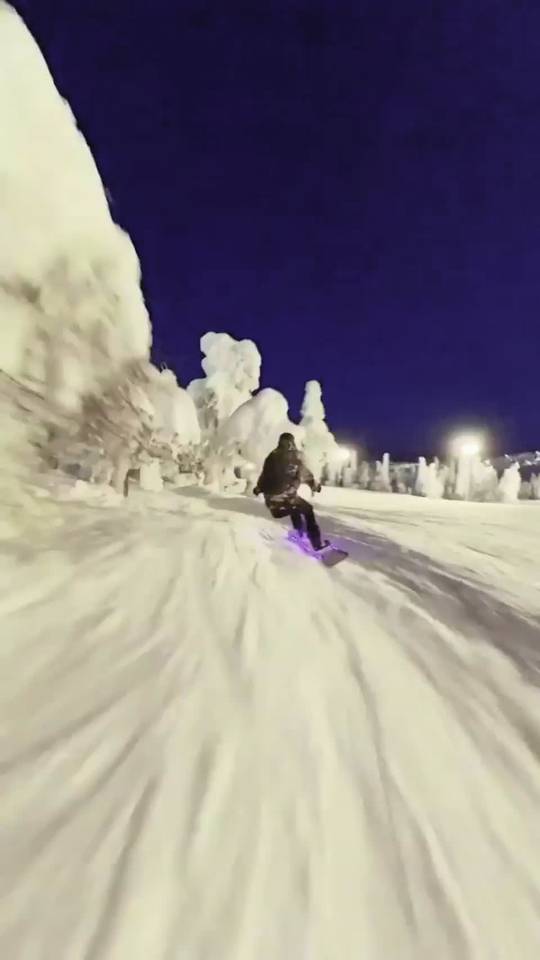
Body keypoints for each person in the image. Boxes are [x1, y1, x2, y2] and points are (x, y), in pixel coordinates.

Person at [254, 433, 326, 551]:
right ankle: (316, 544)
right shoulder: (295, 458)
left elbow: (264, 475)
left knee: (295, 507)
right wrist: (314, 486)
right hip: (287, 498)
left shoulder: (272, 456)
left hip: (273, 505)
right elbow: (306, 474)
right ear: (292, 443)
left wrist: (258, 488)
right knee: (307, 509)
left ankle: (300, 534)